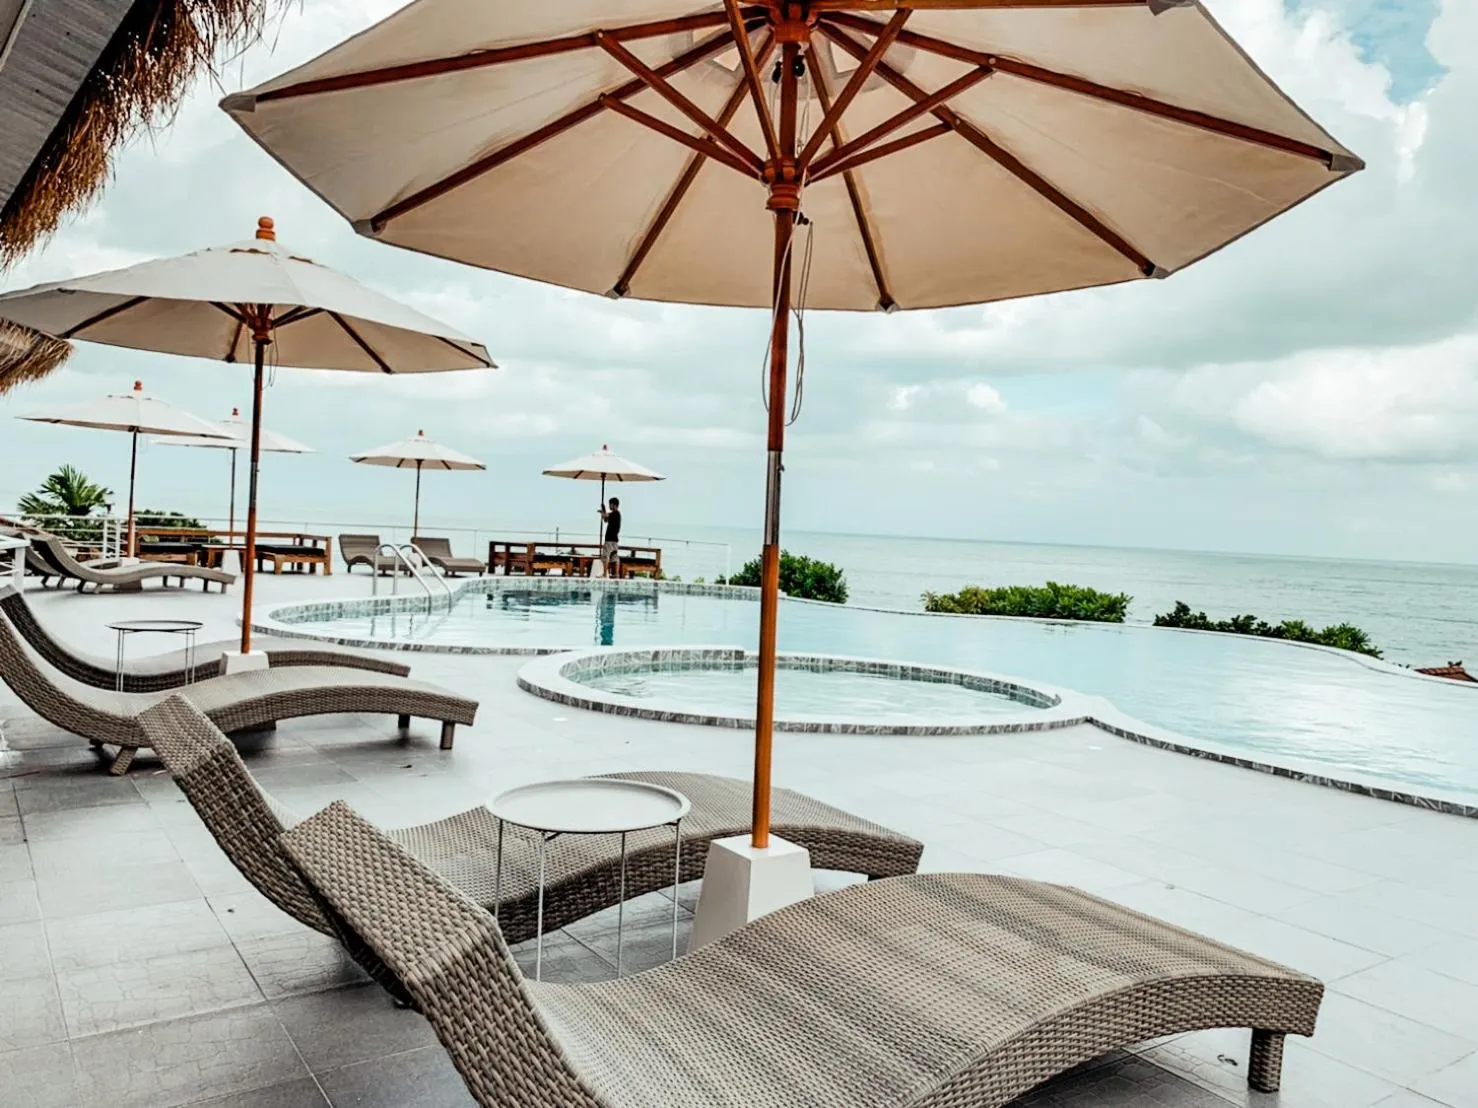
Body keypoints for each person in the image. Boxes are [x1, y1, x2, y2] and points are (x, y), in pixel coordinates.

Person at [599, 496, 621, 577]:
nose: (609, 506)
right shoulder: (616, 514)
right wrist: (603, 513)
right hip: (615, 539)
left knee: (606, 556)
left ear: (614, 505)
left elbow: (606, 516)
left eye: (610, 504)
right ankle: (616, 574)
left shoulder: (615, 514)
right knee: (614, 556)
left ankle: (605, 574)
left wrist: (603, 512)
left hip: (610, 539)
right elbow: (605, 520)